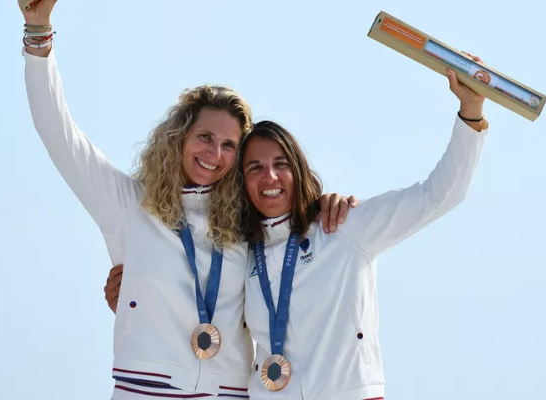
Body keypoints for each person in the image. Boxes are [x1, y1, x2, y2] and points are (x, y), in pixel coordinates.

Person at [20, 1, 355, 399]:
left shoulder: (245, 224)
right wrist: (38, 33)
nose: (214, 154)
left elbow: (289, 279)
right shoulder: (129, 205)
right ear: (179, 136)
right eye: (205, 138)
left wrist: (319, 204)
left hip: (229, 393)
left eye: (229, 145)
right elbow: (58, 133)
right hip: (145, 390)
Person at [105, 68, 489, 399]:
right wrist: (136, 296)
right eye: (254, 167)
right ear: (240, 181)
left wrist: (470, 115)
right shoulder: (242, 250)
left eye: (280, 164)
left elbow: (440, 195)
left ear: (299, 169)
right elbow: (200, 301)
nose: (269, 177)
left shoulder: (344, 227)